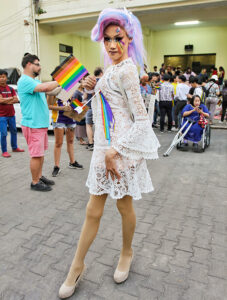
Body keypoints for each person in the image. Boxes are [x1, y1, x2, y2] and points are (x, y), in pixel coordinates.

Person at [58, 7, 160, 299]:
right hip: (104, 149)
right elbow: (104, 105)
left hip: (121, 150)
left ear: (129, 39)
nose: (113, 44)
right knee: (93, 210)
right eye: (107, 39)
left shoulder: (128, 69)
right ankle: (76, 266)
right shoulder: (112, 70)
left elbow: (141, 121)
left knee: (124, 207)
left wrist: (116, 150)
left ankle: (126, 252)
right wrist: (91, 86)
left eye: (119, 38)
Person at [17, 53, 58, 192]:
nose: (40, 67)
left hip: (39, 124)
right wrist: (62, 79)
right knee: (36, 155)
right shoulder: (24, 81)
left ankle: (39, 176)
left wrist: (71, 83)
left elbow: (51, 91)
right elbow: (46, 88)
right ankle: (35, 182)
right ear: (29, 64)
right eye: (37, 64)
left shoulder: (34, 82)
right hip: (33, 124)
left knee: (40, 154)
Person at [47, 87, 84, 178]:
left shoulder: (72, 89)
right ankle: (56, 166)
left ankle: (72, 162)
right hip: (59, 119)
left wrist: (80, 107)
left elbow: (73, 104)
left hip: (71, 117)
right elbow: (48, 106)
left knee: (70, 141)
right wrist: (62, 108)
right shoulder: (54, 90)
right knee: (58, 143)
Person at [0, 69, 24, 157]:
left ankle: (14, 147)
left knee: (14, 131)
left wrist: (5, 100)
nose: (2, 79)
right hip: (1, 116)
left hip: (11, 115)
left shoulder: (10, 88)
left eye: (3, 77)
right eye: (0, 77)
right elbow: (0, 100)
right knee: (3, 133)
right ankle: (4, 151)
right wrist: (10, 99)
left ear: (6, 78)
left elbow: (16, 99)